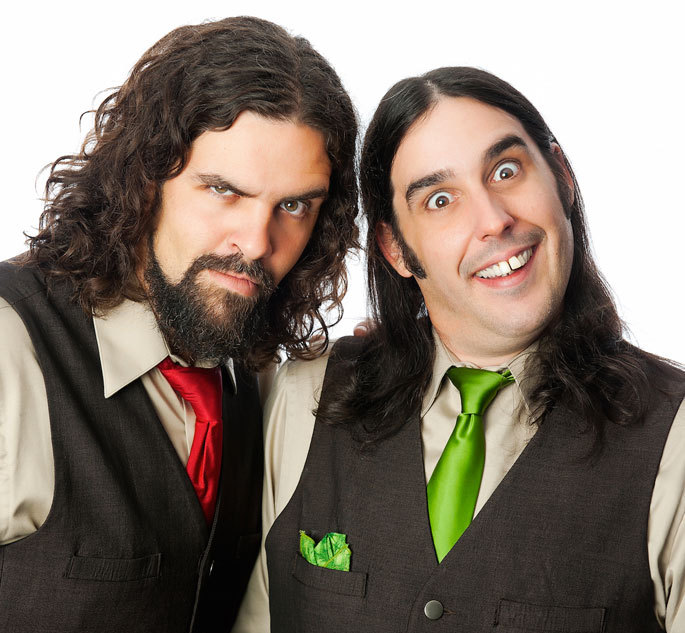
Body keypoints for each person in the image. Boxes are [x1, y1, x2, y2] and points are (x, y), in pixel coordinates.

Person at [235, 67, 685, 632]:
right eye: (441, 199)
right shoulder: (302, 397)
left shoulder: (674, 438)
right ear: (396, 248)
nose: (493, 221)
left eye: (506, 171)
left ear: (562, 177)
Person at [0, 16, 358, 633]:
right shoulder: (10, 345)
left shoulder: (250, 373)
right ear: (144, 176)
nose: (256, 242)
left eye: (294, 205)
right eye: (223, 190)